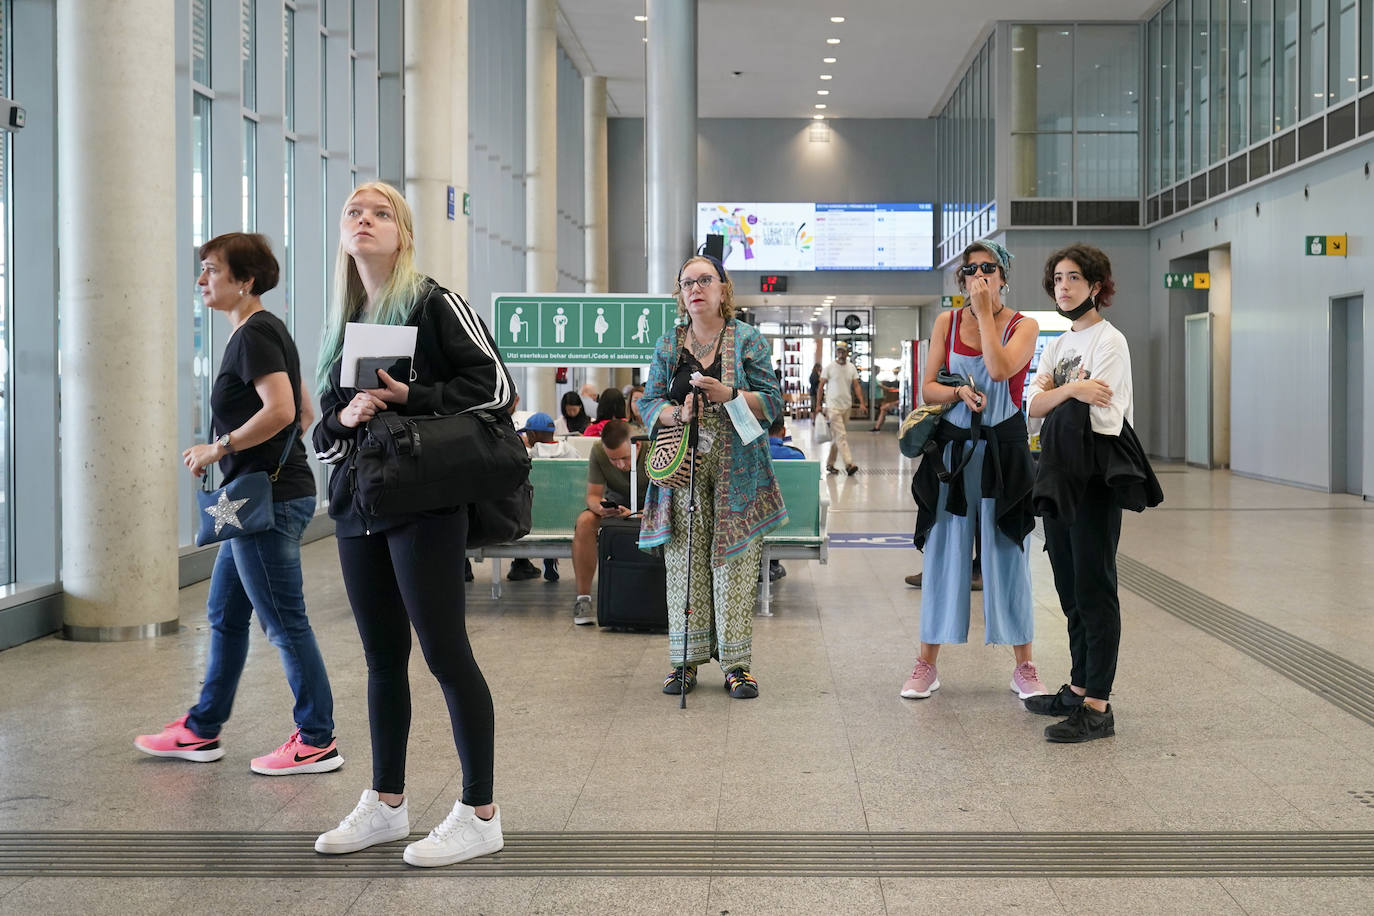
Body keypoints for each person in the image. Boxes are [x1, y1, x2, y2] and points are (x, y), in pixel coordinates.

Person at [311, 181, 513, 867]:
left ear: (403, 233)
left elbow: (496, 388)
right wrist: (344, 417)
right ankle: (386, 804)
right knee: (379, 659)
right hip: (358, 503)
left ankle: (480, 813)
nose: (363, 220)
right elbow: (323, 433)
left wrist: (411, 396)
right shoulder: (341, 320)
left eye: (380, 212)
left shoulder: (434, 301)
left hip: (424, 499)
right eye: (353, 212)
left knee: (446, 652)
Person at [135, 232, 340, 777]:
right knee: (225, 616)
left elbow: (282, 411)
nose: (201, 281)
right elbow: (304, 409)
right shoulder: (259, 332)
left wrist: (218, 447)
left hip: (266, 501)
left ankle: (317, 738)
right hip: (254, 499)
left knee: (283, 622)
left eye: (211, 270)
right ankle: (202, 729)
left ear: (244, 280)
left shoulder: (255, 333)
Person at [1024, 244, 1161, 743]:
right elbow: (1033, 405)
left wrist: (1064, 396)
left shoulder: (1111, 341)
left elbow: (1103, 411)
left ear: (1097, 286)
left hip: (1096, 476)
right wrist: (1070, 391)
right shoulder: (1060, 345)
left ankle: (1098, 707)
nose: (1063, 287)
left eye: (1074, 278)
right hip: (1058, 472)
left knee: (1094, 587)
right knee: (1067, 586)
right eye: (1057, 279)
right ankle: (1078, 685)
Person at [901, 239, 1047, 704]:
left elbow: (1002, 369)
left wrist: (985, 315)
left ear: (1003, 276)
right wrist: (957, 394)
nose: (977, 276)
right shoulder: (945, 321)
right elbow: (927, 387)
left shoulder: (1025, 325)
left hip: (1004, 452)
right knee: (944, 552)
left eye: (988, 268)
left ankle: (1024, 665)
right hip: (953, 455)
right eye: (970, 270)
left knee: (1009, 553)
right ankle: (927, 663)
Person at [639, 255, 787, 699]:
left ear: (724, 288)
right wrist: (673, 412)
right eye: (687, 282)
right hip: (684, 467)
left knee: (734, 566)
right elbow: (646, 402)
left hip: (738, 470)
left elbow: (774, 402)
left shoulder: (747, 341)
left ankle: (737, 665)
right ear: (680, 293)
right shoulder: (669, 344)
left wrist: (730, 394)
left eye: (706, 280)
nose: (696, 288)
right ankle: (683, 662)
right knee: (683, 562)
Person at [570, 418, 650, 625]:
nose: (620, 465)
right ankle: (583, 599)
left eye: (624, 458)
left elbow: (667, 498)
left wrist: (636, 513)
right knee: (585, 521)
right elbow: (593, 496)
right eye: (613, 460)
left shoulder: (654, 446)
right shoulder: (598, 451)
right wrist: (601, 508)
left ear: (637, 445)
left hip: (653, 507)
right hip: (617, 507)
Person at [507, 412, 570, 582]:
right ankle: (550, 558)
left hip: (533, 518)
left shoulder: (529, 455)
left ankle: (520, 562)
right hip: (565, 517)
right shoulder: (570, 451)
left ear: (533, 435)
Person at [817, 342, 866, 475]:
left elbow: (856, 386)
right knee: (841, 435)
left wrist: (862, 402)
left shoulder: (851, 368)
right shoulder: (829, 367)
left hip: (846, 406)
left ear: (847, 353)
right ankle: (849, 464)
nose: (841, 354)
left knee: (838, 437)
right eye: (839, 351)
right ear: (836, 352)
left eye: (843, 351)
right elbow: (821, 387)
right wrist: (818, 405)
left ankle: (830, 464)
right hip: (833, 406)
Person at [766, 415, 805, 581]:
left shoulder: (752, 456)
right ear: (783, 432)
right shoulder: (798, 457)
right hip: (792, 525)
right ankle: (773, 564)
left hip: (758, 526)